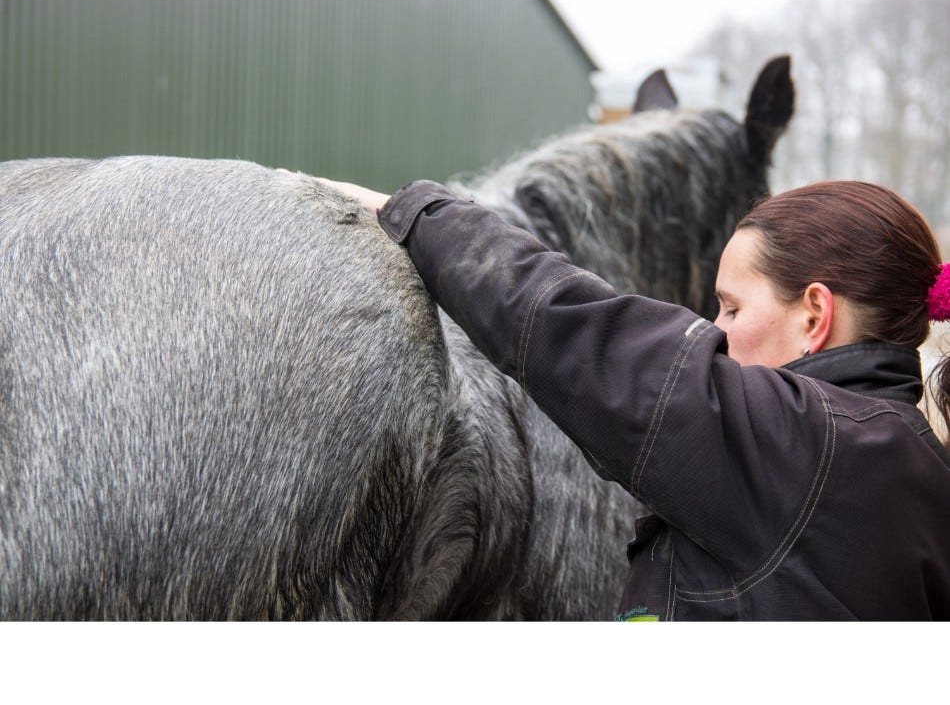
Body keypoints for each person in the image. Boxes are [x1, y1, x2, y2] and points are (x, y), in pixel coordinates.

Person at [319, 175, 950, 620]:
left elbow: (585, 334)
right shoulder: (906, 459)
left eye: (731, 307)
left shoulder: (813, 447)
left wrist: (418, 214)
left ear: (815, 314)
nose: (716, 331)